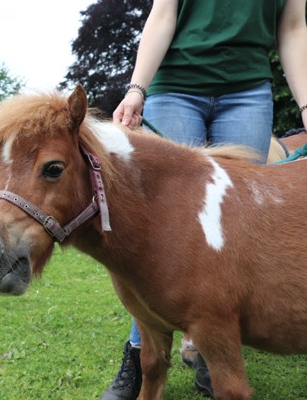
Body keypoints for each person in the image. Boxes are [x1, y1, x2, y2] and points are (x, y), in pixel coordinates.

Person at [101, 0, 307, 399]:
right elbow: (164, 14)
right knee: (160, 236)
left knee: (236, 230)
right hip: (175, 89)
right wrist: (135, 90)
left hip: (247, 92)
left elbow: (293, 27)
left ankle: (217, 360)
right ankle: (139, 359)